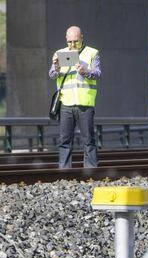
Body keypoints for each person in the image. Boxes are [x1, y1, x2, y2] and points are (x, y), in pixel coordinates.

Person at [49, 26, 101, 169]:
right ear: (66, 39)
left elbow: (97, 73)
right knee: (64, 140)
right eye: (70, 42)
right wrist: (57, 67)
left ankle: (91, 171)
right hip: (66, 104)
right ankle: (64, 172)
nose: (72, 45)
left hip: (85, 104)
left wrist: (85, 71)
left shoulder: (92, 53)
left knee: (89, 140)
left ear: (82, 38)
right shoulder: (60, 53)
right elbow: (52, 75)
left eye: (76, 42)